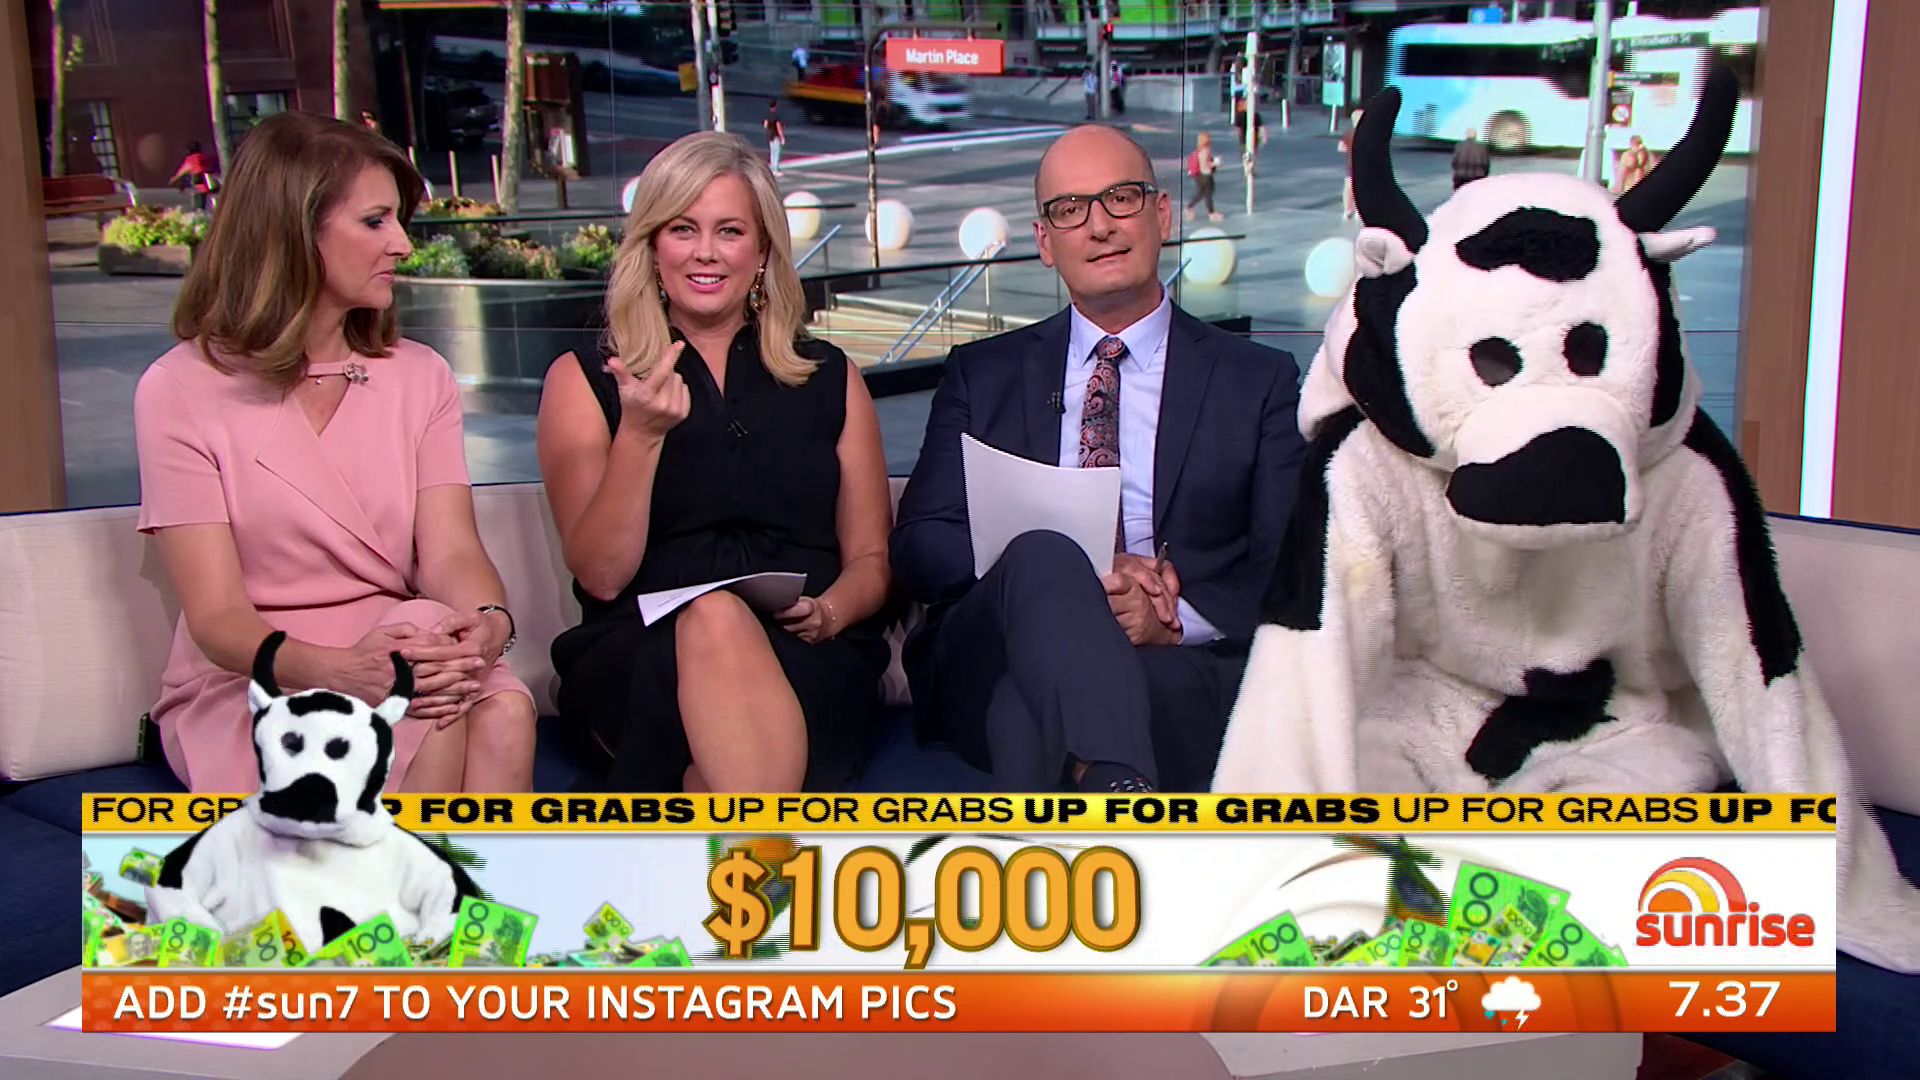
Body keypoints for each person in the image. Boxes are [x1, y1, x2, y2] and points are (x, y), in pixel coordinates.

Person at [891, 126, 1308, 793]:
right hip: (990, 649)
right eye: (1070, 209)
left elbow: (1289, 565)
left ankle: (1106, 784)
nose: (1099, 225)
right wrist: (1071, 577)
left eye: (1121, 197)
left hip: (1166, 664)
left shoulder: (1257, 381)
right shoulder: (983, 374)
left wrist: (1173, 622)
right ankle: (1117, 787)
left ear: (1162, 214)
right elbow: (919, 545)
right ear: (1044, 241)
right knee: (1044, 553)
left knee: (1024, 712)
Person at [135, 111, 537, 794]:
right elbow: (217, 618)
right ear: (295, 232)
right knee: (419, 694)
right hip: (260, 674)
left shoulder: (420, 376)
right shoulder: (179, 390)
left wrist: (489, 625)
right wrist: (341, 671)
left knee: (499, 705)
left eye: (399, 221)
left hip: (395, 645)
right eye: (375, 222)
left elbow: (451, 553)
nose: (402, 245)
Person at [538, 132, 892, 793]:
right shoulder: (587, 380)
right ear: (652, 247)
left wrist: (830, 612)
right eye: (682, 229)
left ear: (762, 252)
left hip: (806, 653)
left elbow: (871, 560)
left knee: (713, 775)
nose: (705, 251)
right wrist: (640, 436)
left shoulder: (830, 376)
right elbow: (602, 576)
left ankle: (731, 825)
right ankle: (762, 840)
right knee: (714, 617)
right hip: (643, 656)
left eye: (729, 231)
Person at [168, 141, 218, 212]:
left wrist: (173, 180)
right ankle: (216, 208)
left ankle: (200, 210)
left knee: (200, 197)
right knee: (213, 194)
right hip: (209, 177)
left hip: (199, 178)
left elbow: (183, 171)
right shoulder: (205, 157)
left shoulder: (191, 159)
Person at [1184, 131, 1222, 223]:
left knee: (1202, 193)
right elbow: (1205, 165)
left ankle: (1190, 207)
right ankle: (1211, 214)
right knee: (1208, 194)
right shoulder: (1206, 150)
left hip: (1199, 176)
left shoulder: (1199, 150)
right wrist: (1215, 163)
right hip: (1205, 175)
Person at [1338, 108, 1363, 220]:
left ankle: (1348, 210)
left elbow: (1341, 147)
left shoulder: (1349, 133)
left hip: (1352, 165)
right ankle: (1358, 211)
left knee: (1349, 187)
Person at [1232, 98, 1268, 176]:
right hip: (1254, 137)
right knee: (1253, 153)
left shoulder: (1239, 115)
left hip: (1243, 138)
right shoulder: (1255, 115)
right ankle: (1251, 167)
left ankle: (1246, 169)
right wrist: (1264, 137)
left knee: (1244, 154)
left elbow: (1237, 128)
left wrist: (1239, 135)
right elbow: (1262, 127)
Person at [1451, 125, 1490, 190]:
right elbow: (1486, 163)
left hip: (1460, 177)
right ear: (1475, 136)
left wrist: (1457, 172)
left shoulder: (1459, 146)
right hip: (1477, 177)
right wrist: (1484, 175)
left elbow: (1454, 162)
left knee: (1460, 193)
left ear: (1466, 135)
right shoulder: (1482, 147)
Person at [763, 100, 787, 176]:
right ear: (775, 106)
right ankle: (776, 170)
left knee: (772, 152)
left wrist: (769, 131)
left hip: (770, 136)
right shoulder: (776, 116)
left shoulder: (767, 115)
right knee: (777, 153)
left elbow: (765, 125)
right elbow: (778, 127)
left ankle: (772, 168)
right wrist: (782, 137)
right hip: (776, 136)